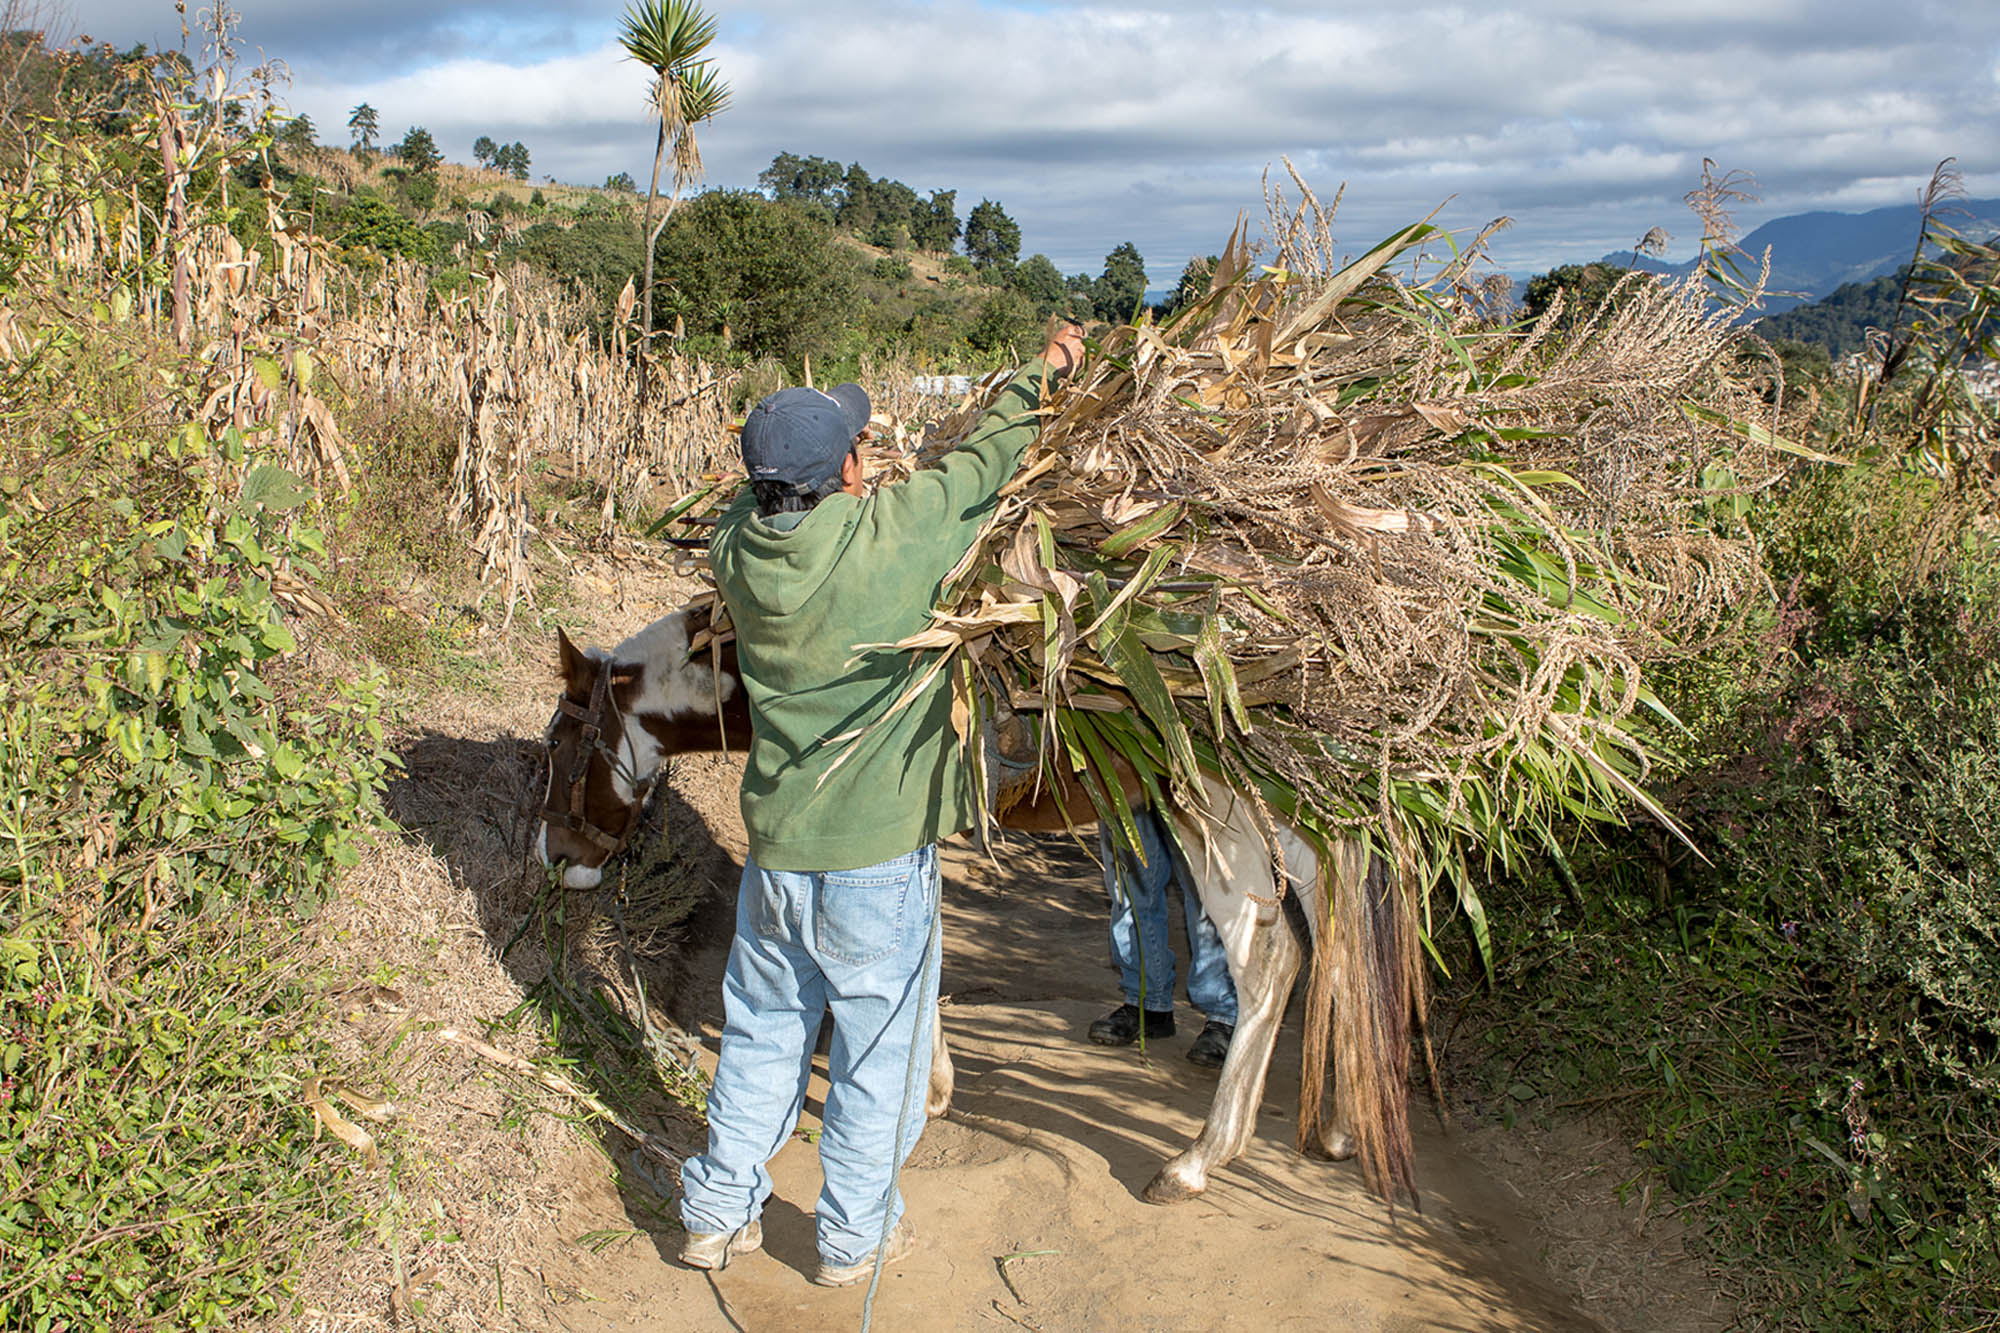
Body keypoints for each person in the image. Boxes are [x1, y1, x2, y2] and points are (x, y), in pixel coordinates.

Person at [676, 321, 1087, 1286]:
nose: (868, 453)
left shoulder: (736, 549)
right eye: (857, 444)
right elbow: (988, 458)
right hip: (874, 865)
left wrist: (807, 463)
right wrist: (1048, 366)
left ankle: (713, 1215)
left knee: (764, 1032)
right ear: (847, 474)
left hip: (775, 856)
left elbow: (760, 494)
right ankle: (852, 1239)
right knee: (877, 1056)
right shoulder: (891, 543)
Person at [1088, 806, 1238, 1066]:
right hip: (1126, 776)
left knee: (1205, 893)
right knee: (1130, 891)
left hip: (1190, 778)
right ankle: (1147, 1004)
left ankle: (1223, 1015)